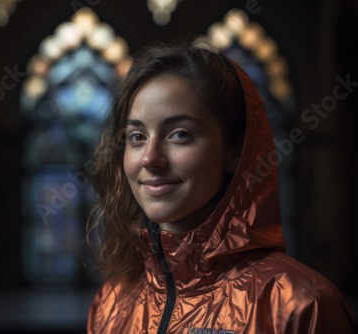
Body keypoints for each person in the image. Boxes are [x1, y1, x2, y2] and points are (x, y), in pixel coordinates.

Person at [85, 40, 356, 333]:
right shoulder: (110, 305)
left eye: (180, 134)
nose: (150, 158)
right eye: (137, 136)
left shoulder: (299, 305)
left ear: (234, 150)